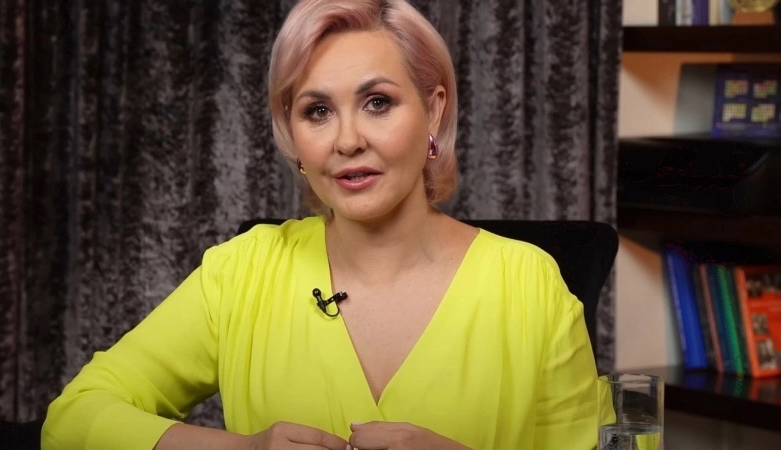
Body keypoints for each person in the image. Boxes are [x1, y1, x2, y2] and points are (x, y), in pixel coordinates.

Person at [41, 0, 599, 449]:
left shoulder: (531, 286)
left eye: (377, 102)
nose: (347, 140)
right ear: (293, 134)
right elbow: (72, 419)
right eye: (317, 111)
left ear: (433, 110)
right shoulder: (239, 273)